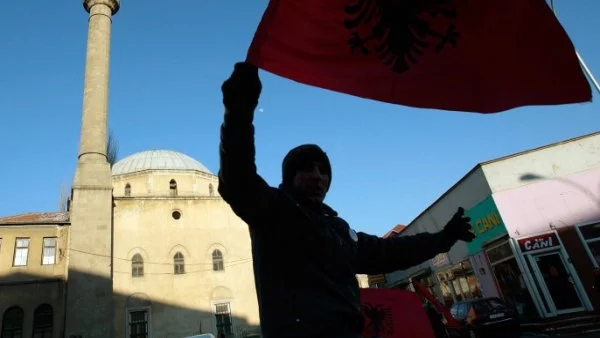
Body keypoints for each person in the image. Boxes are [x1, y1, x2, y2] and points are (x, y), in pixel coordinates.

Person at [218, 62, 476, 338]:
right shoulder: (274, 211)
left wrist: (444, 238)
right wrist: (239, 112)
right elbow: (238, 180)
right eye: (307, 169)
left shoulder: (339, 230)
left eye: (323, 170)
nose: (318, 176)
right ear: (289, 178)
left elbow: (390, 252)